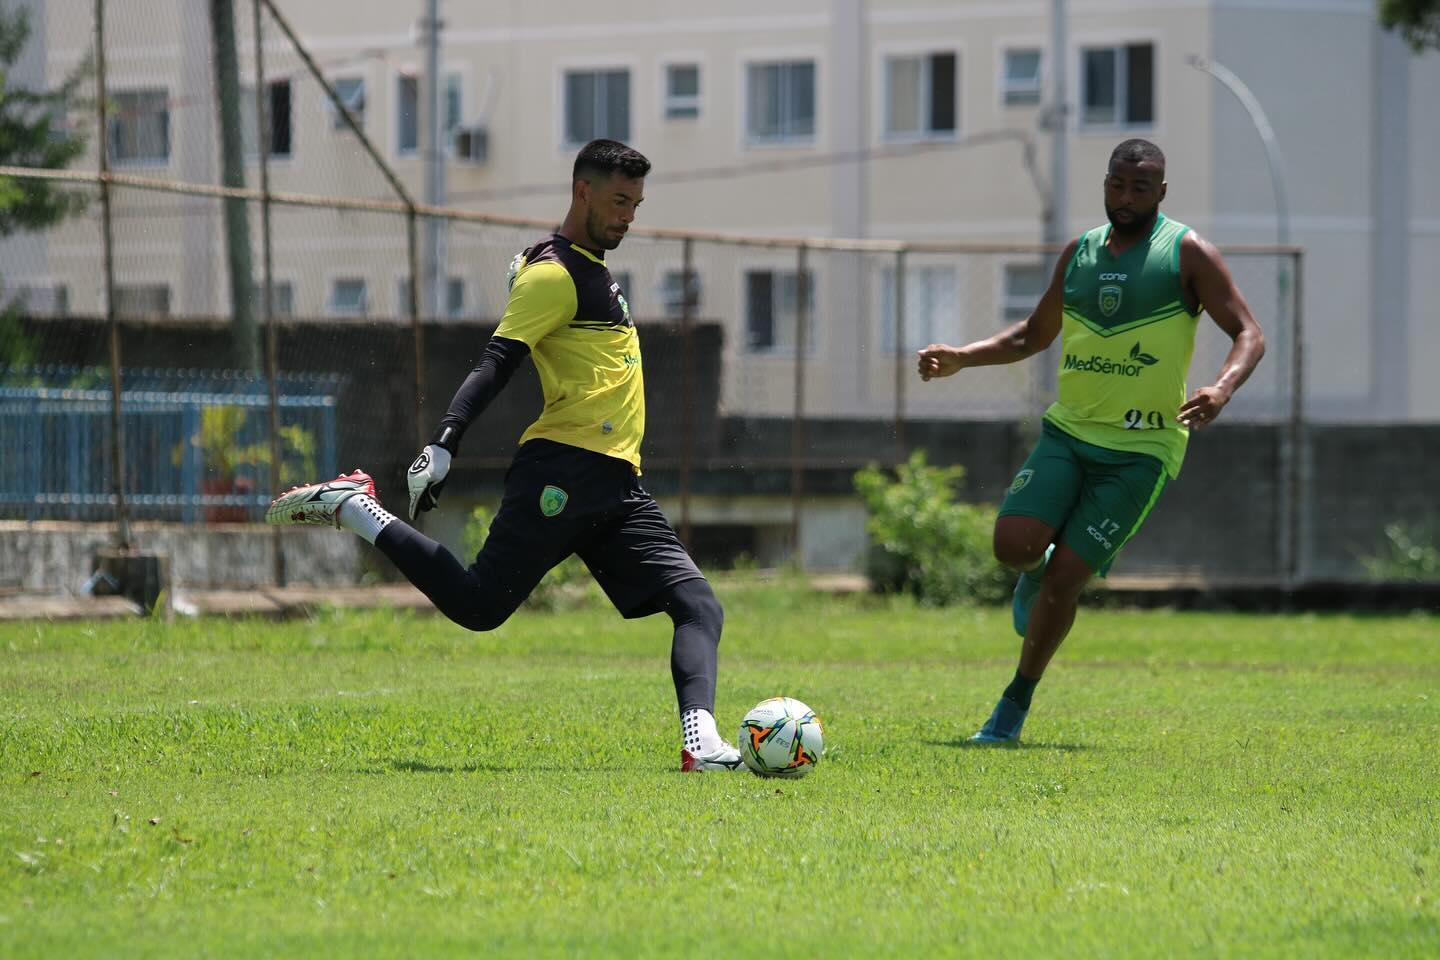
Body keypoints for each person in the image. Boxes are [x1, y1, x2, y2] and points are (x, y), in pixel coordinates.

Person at [266, 139, 743, 772]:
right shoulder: (554, 274)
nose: (630, 216)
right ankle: (358, 510)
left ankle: (700, 741)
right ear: (583, 192)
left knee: (698, 605)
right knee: (479, 606)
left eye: (637, 204)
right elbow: (497, 362)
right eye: (620, 201)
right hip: (566, 472)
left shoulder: (588, 268)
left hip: (616, 484)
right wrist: (444, 441)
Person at [917, 138, 1266, 745]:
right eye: (1116, 185)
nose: (1125, 198)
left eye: (1140, 188)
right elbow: (1033, 333)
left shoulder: (1186, 253)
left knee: (1067, 581)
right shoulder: (1079, 253)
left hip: (1141, 451)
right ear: (1105, 184)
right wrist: (962, 358)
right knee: (1012, 548)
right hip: (1070, 434)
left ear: (1161, 191)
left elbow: (1249, 333)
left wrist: (1222, 388)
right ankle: (1039, 567)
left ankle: (1011, 709)